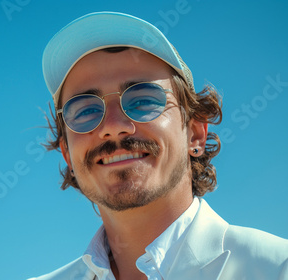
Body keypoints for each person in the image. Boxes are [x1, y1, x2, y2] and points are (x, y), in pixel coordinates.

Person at [29, 12, 288, 280]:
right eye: (85, 111)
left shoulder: (278, 268)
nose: (112, 125)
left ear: (195, 134)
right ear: (68, 154)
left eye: (142, 100)